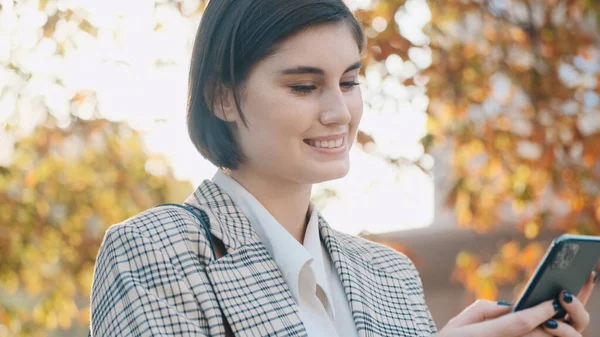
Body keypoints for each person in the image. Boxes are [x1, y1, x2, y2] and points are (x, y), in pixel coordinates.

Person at [89, 0, 595, 336]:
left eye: (349, 82)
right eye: (304, 86)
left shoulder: (389, 274)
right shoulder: (155, 250)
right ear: (222, 97)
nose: (339, 112)